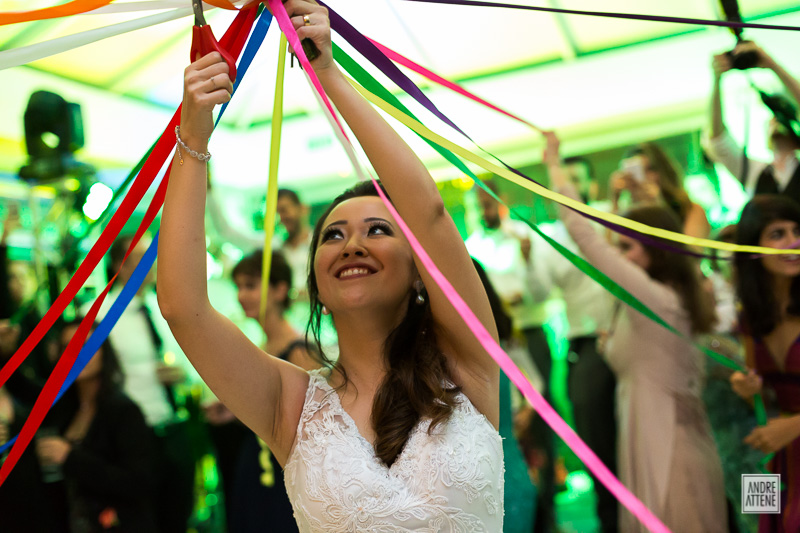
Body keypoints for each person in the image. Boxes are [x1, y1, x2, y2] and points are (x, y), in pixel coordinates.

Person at [157, 1, 504, 531]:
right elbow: (183, 308)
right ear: (315, 283)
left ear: (419, 272)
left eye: (379, 229)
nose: (351, 245)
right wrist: (193, 136)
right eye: (334, 236)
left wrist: (328, 74)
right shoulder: (289, 403)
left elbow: (428, 212)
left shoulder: (466, 365)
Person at [545, 132, 727, 532]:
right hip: (656, 427)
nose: (621, 254)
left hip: (663, 436)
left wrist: (554, 166)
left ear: (655, 250)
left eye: (629, 247)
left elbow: (587, 238)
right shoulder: (666, 296)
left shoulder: (656, 298)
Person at [464, 180, 554, 530]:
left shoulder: (523, 238)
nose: (485, 207)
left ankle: (547, 512)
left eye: (490, 201)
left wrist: (530, 261)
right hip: (486, 339)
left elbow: (540, 293)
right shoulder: (469, 247)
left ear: (502, 201)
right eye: (479, 202)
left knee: (539, 440)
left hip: (519, 336)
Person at [206, 249, 317, 533]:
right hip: (254, 466)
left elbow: (312, 429)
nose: (242, 295)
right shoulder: (261, 348)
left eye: (251, 286)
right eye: (239, 286)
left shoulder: (299, 352)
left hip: (283, 476)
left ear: (280, 290)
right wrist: (233, 411)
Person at [92, 235, 195, 533]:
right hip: (133, 436)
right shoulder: (100, 313)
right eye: (140, 257)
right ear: (119, 264)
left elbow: (188, 360)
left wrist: (182, 372)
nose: (151, 265)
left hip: (173, 425)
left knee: (178, 514)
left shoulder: (165, 308)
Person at [542, 156, 618, 533]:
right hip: (585, 345)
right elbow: (540, 290)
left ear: (590, 185)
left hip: (633, 339)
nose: (569, 189)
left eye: (576, 181)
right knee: (600, 444)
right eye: (562, 182)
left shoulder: (613, 217)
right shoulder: (549, 235)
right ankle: (613, 520)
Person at [34, 319, 157, 532]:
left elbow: (139, 481)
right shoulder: (65, 407)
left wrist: (70, 457)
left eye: (87, 345)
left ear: (104, 351)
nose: (78, 355)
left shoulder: (123, 410)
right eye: (69, 347)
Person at [730, 195, 800, 533]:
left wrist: (794, 426)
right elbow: (760, 399)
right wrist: (747, 389)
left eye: (797, 230)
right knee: (766, 525)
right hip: (775, 452)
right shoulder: (750, 316)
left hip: (787, 434)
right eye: (778, 234)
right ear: (752, 251)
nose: (794, 242)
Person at [707, 41, 800, 200]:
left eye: (781, 114)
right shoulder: (755, 172)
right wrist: (717, 81)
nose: (775, 119)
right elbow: (718, 141)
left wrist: (772, 65)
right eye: (771, 117)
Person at [610, 142, 711, 239]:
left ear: (662, 171)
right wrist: (615, 200)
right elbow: (612, 250)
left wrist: (658, 206)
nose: (644, 177)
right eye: (635, 171)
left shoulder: (690, 209)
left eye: (650, 169)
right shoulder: (628, 215)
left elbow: (689, 254)